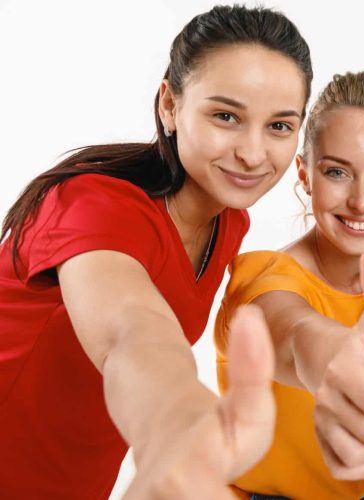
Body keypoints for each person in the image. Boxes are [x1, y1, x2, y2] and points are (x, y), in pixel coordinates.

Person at [0, 5, 311, 498]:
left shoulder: (229, 220)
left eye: (279, 126)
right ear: (170, 104)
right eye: (226, 116)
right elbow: (132, 332)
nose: (253, 153)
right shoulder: (93, 205)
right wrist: (181, 424)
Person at [213, 71, 364, 500]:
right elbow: (296, 333)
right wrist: (340, 366)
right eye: (338, 172)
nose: (361, 200)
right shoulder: (264, 280)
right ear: (304, 175)